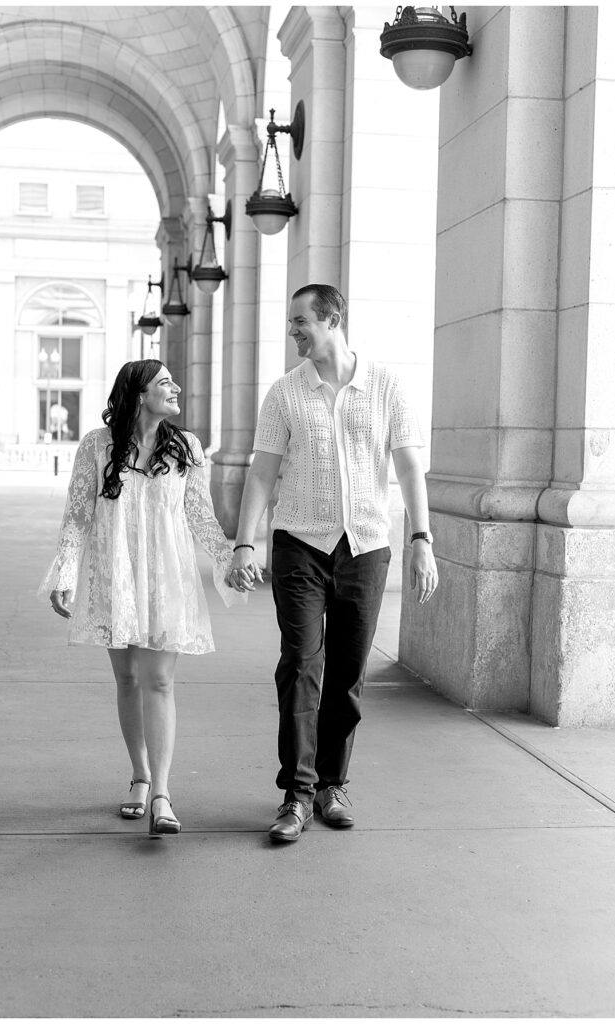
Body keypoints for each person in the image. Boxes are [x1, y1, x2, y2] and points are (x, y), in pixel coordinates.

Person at [227, 284, 438, 843]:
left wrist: (421, 537)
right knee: (300, 662)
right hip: (299, 544)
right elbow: (262, 474)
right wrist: (244, 543)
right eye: (291, 322)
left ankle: (331, 784)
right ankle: (295, 795)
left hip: (366, 546)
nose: (294, 331)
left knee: (346, 673)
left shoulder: (386, 385)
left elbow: (410, 468)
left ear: (333, 319)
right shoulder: (283, 394)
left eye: (301, 321)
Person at [39, 359, 251, 838]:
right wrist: (66, 572)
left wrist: (229, 560)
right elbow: (77, 516)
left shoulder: (186, 447)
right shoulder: (96, 446)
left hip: (166, 575)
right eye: (163, 383)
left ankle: (162, 793)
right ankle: (139, 775)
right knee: (129, 678)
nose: (175, 389)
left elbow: (200, 516)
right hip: (115, 574)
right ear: (137, 394)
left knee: (159, 682)